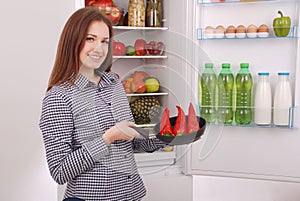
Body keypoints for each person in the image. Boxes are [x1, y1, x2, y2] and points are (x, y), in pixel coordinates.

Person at [39, 6, 165, 201]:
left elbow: (131, 142)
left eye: (105, 41)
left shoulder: (114, 84)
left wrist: (169, 136)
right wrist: (107, 138)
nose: (99, 48)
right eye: (90, 39)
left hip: (131, 195)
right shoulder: (59, 98)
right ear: (72, 42)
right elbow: (60, 171)